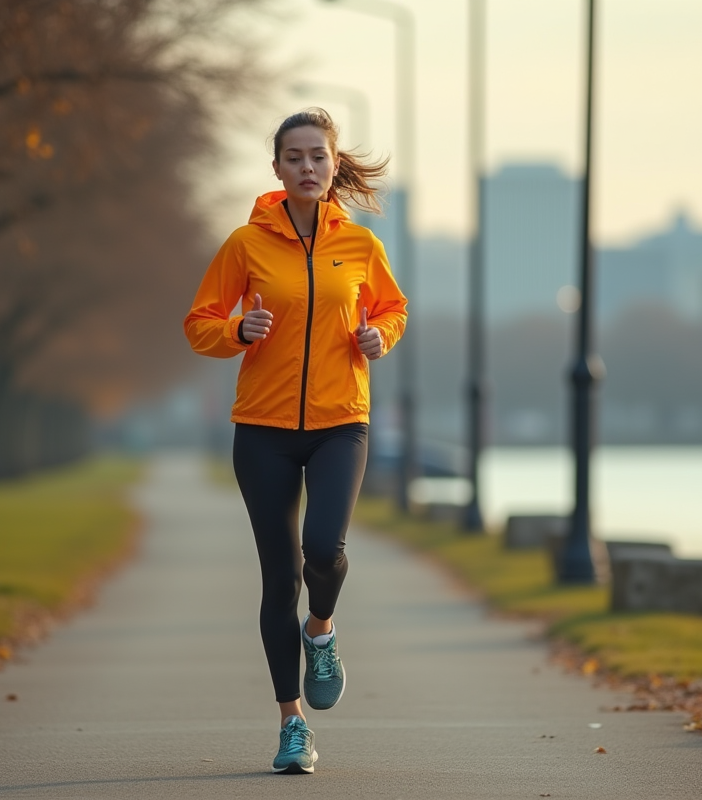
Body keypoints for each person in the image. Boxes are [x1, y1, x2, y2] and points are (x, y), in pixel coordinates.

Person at [183, 108, 407, 775]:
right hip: (263, 432)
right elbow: (199, 323)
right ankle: (292, 726)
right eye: (294, 157)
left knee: (324, 550)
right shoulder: (244, 245)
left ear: (334, 165)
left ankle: (323, 631)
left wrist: (380, 337)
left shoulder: (361, 246)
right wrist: (237, 333)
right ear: (276, 169)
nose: (307, 167)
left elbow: (391, 309)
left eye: (318, 156)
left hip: (343, 421)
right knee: (279, 579)